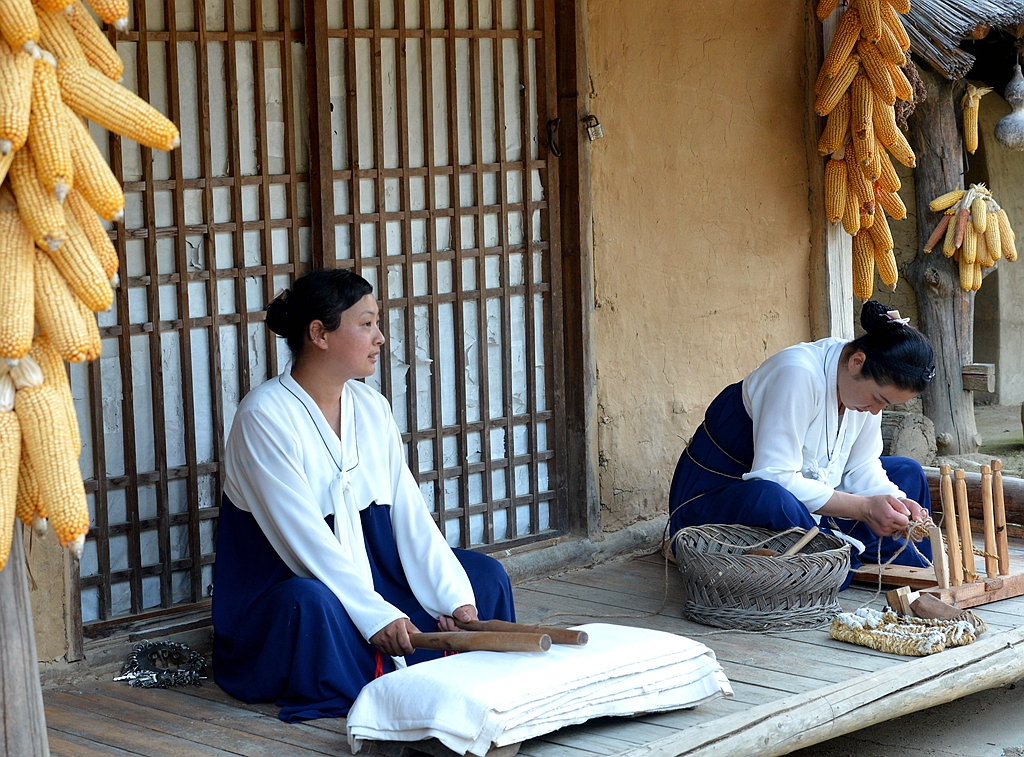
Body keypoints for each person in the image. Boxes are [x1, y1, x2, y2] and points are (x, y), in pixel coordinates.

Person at [212, 268, 515, 722]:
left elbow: (410, 515)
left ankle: (444, 659)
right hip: (293, 580)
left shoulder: (371, 407)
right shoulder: (264, 417)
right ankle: (386, 676)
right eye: (366, 323)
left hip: (372, 569)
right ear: (319, 333)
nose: (380, 338)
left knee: (484, 576)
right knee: (312, 605)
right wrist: (376, 616)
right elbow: (306, 541)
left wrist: (454, 599)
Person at [668, 301, 936, 584]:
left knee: (908, 473)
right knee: (772, 499)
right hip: (718, 501)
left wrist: (897, 503)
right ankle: (844, 555)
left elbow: (862, 467)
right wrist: (864, 508)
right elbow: (775, 478)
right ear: (857, 362)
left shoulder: (860, 385)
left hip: (803, 492)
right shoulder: (797, 373)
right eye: (878, 400)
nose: (875, 411)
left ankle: (915, 572)